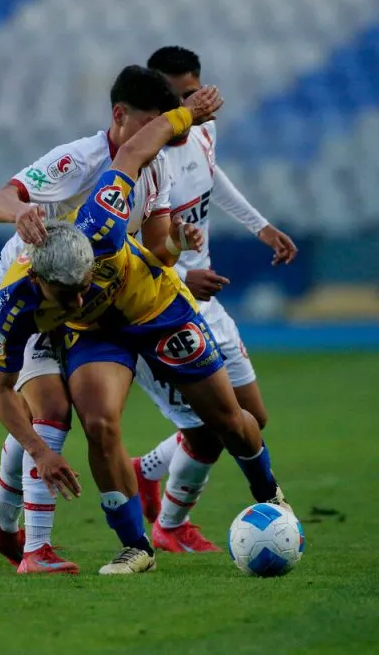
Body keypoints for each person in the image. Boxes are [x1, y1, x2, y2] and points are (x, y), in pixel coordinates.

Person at [0, 89, 294, 575]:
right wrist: (41, 452)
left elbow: (131, 152)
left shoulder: (103, 220)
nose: (78, 300)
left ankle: (269, 494)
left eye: (84, 286)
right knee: (99, 425)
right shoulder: (13, 303)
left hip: (158, 309)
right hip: (96, 334)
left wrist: (185, 115)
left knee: (228, 421)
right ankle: (137, 546)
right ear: (40, 282)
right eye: (67, 296)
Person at [0, 66, 203, 574]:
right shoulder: (80, 160)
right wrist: (19, 213)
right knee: (51, 411)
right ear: (119, 115)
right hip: (22, 298)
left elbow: (156, 252)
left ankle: (0, 523)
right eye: (150, 125)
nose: (157, 138)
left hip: (76, 306)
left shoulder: (156, 168)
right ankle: (36, 551)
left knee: (49, 415)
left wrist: (178, 243)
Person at [131, 46, 299, 553]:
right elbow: (121, 246)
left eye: (194, 94)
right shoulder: (141, 160)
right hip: (159, 308)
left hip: (205, 301)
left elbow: (210, 173)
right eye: (177, 99)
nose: (191, 107)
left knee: (252, 421)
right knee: (210, 429)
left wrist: (260, 226)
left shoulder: (204, 130)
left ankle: (149, 469)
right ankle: (171, 525)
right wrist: (183, 277)